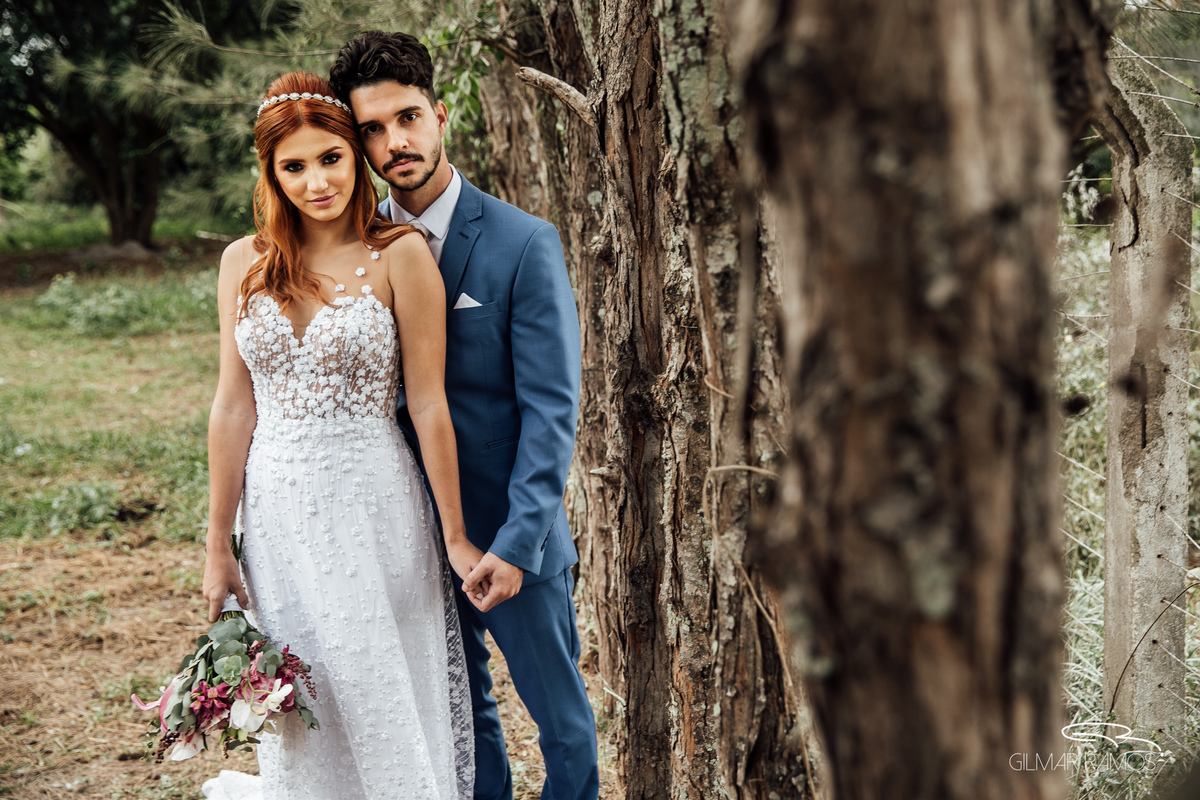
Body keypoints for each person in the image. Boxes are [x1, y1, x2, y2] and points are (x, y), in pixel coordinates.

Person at [329, 32, 599, 800]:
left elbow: (553, 413)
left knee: (562, 725)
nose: (395, 142)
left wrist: (515, 545)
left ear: (440, 114)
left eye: (408, 117)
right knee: (458, 719)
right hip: (407, 531)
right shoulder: (358, 247)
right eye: (373, 130)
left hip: (512, 538)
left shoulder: (522, 243)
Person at [200, 71, 478, 800]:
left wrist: (455, 536)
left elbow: (428, 404)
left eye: (330, 158)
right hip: (277, 513)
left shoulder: (401, 254)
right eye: (294, 166)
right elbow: (233, 408)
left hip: (373, 499)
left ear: (355, 158)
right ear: (271, 173)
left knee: (374, 678)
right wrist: (216, 543)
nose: (315, 180)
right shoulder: (242, 263)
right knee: (302, 694)